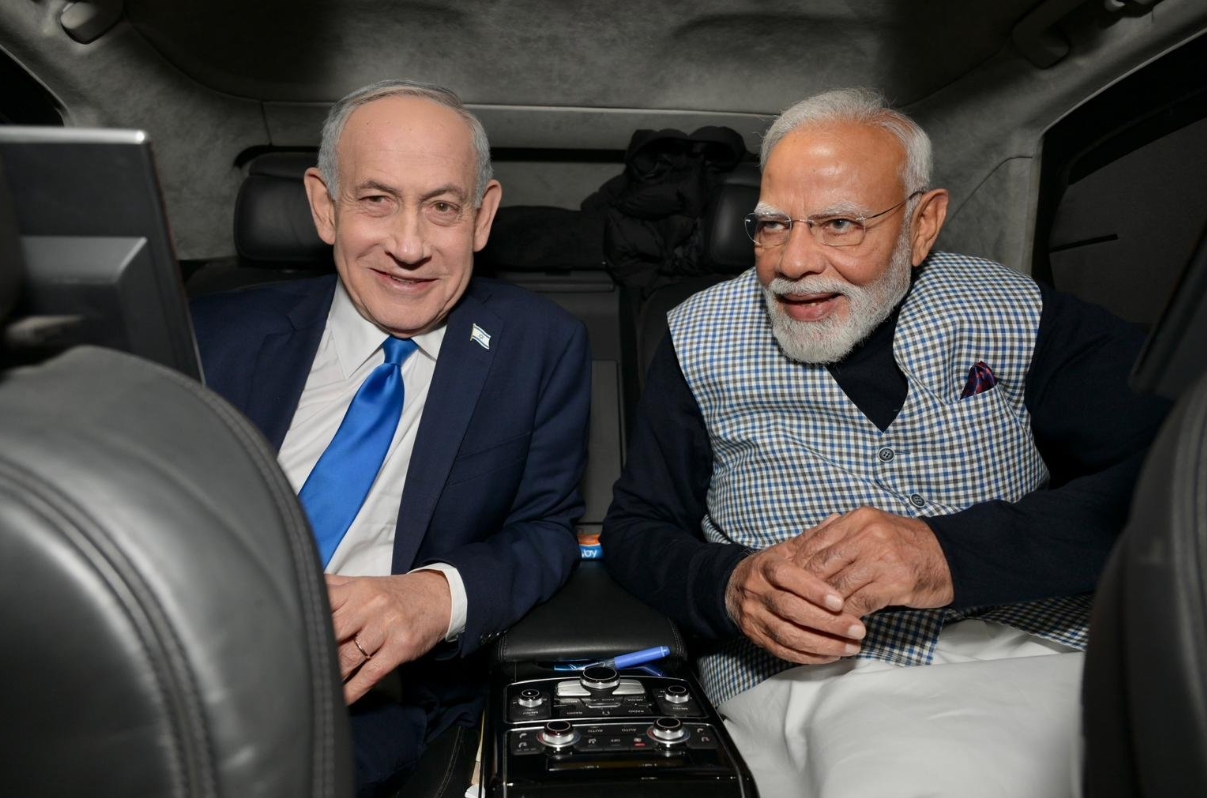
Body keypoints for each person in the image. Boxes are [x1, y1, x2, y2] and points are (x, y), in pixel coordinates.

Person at [601, 87, 1170, 798]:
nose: (793, 262)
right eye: (772, 226)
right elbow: (636, 528)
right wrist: (729, 586)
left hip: (1061, 647)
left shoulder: (1018, 311)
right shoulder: (696, 336)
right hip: (824, 679)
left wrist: (950, 554)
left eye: (838, 224)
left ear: (923, 223)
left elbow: (1173, 474)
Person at [191, 79, 591, 797]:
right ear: (325, 206)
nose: (409, 246)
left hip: (358, 699)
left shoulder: (539, 346)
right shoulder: (213, 333)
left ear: (481, 217)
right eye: (376, 200)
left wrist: (432, 598)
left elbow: (545, 531)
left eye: (442, 207)